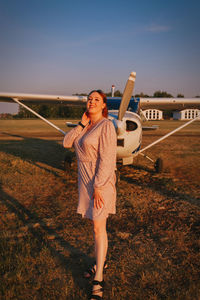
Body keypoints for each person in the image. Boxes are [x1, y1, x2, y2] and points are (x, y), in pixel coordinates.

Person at [63, 90, 117, 299]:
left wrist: (99, 186)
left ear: (104, 105)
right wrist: (80, 124)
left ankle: (99, 278)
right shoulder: (86, 127)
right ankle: (100, 262)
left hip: (99, 183)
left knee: (98, 226)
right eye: (89, 99)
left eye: (97, 99)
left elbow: (108, 159)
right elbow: (67, 143)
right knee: (95, 226)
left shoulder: (106, 126)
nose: (92, 102)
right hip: (85, 182)